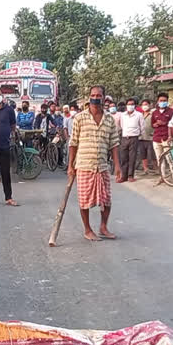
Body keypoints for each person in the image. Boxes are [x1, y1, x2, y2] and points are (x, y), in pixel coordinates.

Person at [67, 85, 122, 242]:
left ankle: (103, 227)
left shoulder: (109, 120)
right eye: (93, 95)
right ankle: (87, 229)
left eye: (99, 95)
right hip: (84, 165)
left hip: (102, 166)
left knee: (106, 200)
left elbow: (114, 144)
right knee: (84, 201)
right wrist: (70, 165)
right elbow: (73, 143)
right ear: (89, 96)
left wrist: (117, 166)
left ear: (104, 98)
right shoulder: (79, 118)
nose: (96, 97)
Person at [151, 92, 173, 186]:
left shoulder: (171, 112)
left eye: (164, 101)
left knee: (170, 158)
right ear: (158, 101)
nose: (163, 102)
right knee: (160, 159)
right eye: (161, 101)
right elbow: (152, 124)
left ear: (167, 101)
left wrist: (164, 123)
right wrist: (156, 124)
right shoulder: (155, 112)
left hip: (167, 138)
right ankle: (162, 177)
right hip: (156, 138)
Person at [117, 98, 143, 182]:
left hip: (134, 138)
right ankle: (123, 176)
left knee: (132, 157)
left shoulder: (139, 115)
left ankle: (130, 175)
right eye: (129, 104)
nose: (130, 106)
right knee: (124, 157)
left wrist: (137, 135)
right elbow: (121, 125)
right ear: (126, 105)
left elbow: (142, 127)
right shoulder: (123, 115)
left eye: (132, 104)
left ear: (135, 105)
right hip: (125, 137)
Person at [138, 99, 155, 175]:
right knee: (143, 154)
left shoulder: (153, 114)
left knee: (152, 154)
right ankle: (145, 169)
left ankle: (156, 168)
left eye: (146, 104)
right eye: (143, 105)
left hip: (151, 137)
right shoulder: (139, 115)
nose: (145, 106)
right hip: (141, 137)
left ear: (149, 105)